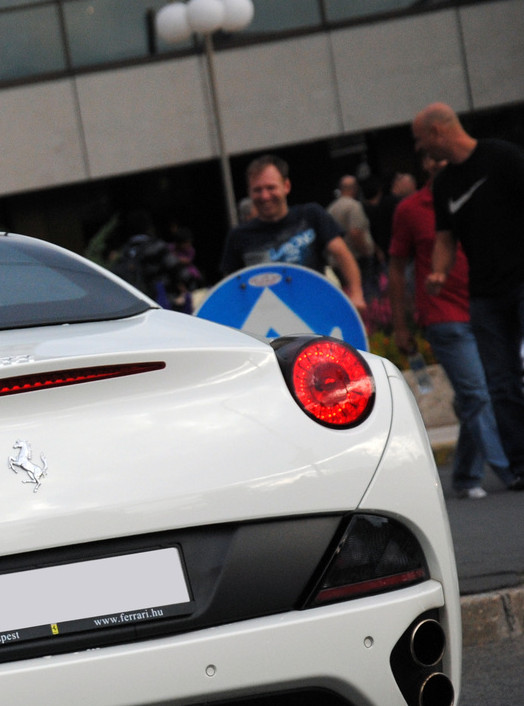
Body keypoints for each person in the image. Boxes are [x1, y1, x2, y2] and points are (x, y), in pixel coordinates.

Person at [389, 152, 518, 498]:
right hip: (443, 316)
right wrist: (401, 326)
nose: (441, 165)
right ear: (426, 165)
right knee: (478, 394)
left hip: (486, 307)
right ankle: (512, 470)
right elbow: (397, 269)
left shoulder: (481, 195)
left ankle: (464, 475)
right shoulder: (410, 210)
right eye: (433, 159)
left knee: (478, 397)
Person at [414, 102, 524, 478]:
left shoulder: (503, 157)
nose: (419, 148)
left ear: (438, 132)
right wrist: (439, 271)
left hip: (521, 281)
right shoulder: (445, 183)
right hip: (485, 295)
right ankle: (520, 465)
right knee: (501, 382)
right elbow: (445, 238)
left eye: (420, 139)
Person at [220, 155, 367, 313]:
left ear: (286, 186)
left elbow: (342, 254)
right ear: (249, 192)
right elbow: (229, 287)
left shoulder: (311, 215)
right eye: (257, 190)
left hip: (315, 310)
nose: (264, 196)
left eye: (271, 187)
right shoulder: (239, 235)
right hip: (265, 319)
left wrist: (356, 294)